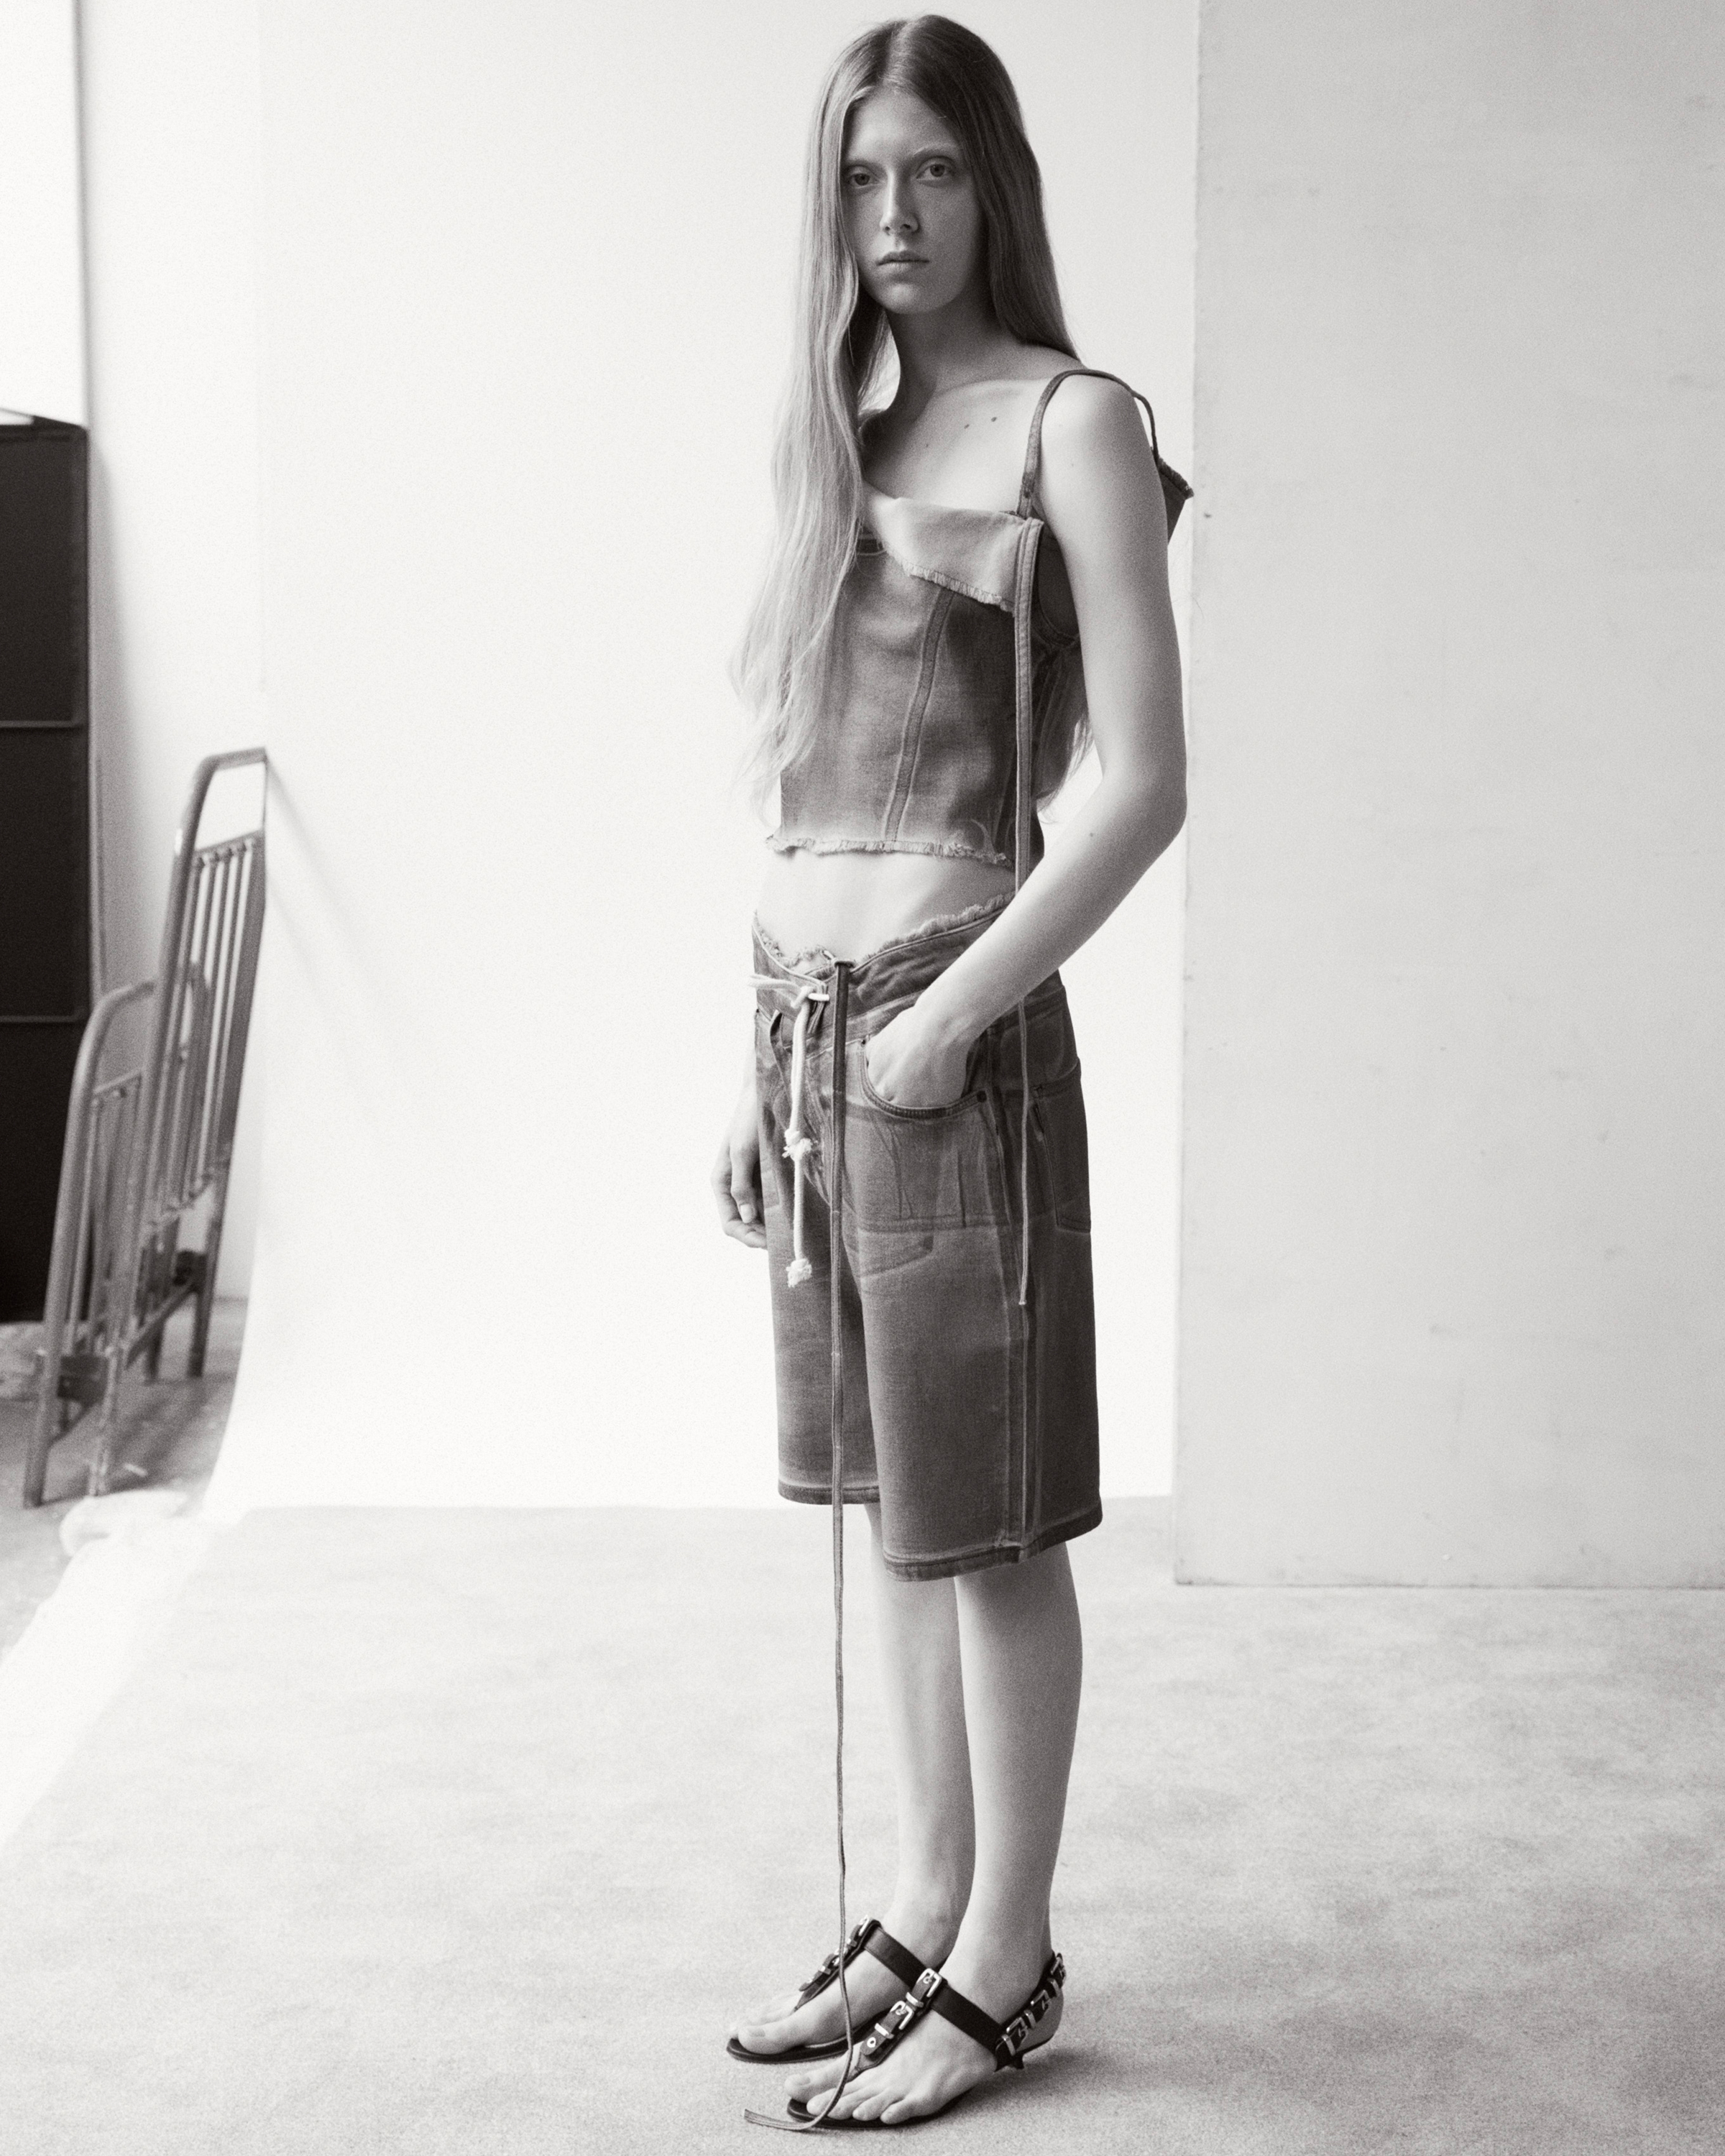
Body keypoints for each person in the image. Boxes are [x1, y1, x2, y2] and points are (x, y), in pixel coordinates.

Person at [711, 13, 1187, 2130]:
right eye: (858, 177)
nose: (893, 216)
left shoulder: (1075, 423)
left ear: (996, 181)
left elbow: (1144, 786)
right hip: (809, 1029)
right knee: (887, 1512)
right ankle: (919, 1911)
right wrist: (755, 1067)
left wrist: (949, 1016)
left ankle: (1009, 1956)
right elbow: (802, 788)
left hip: (943, 1027)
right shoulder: (844, 433)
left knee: (990, 1527)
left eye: (930, 171)